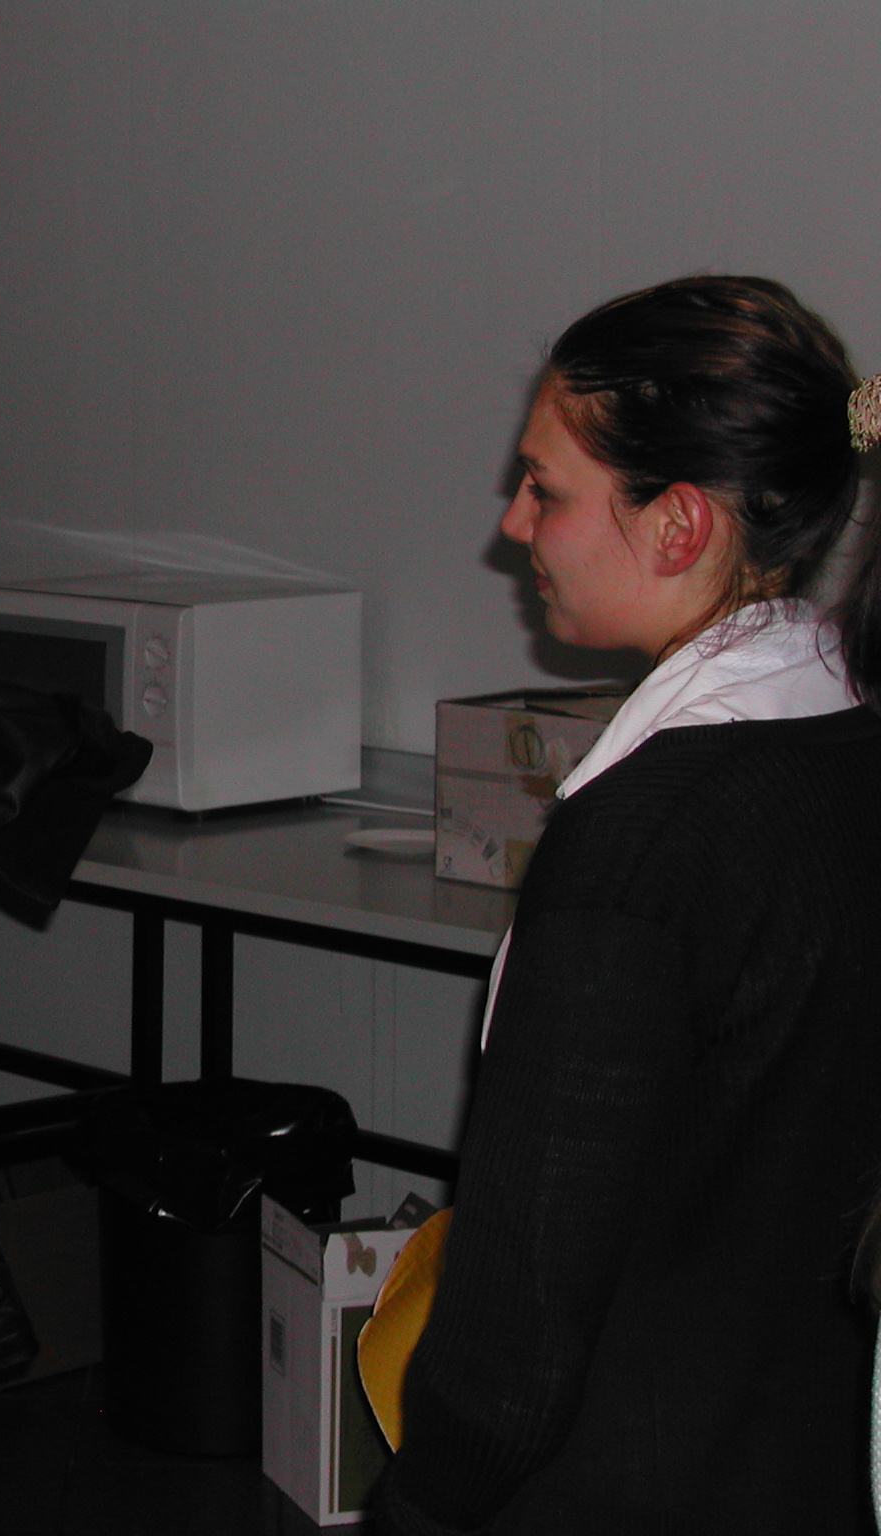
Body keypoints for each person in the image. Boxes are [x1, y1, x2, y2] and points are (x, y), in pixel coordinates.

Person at [375, 275, 881, 1534]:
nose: (511, 525)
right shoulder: (843, 757)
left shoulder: (646, 841)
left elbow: (521, 1319)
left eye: (543, 489)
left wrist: (417, 1509)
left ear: (676, 524)